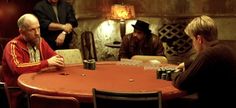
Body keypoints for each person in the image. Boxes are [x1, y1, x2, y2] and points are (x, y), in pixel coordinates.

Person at [1, 13, 65, 108]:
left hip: (39, 87)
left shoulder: (40, 41)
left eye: (38, 28)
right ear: (22, 31)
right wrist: (47, 63)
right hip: (20, 93)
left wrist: (58, 60)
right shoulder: (12, 46)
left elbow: (57, 58)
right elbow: (17, 68)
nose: (37, 33)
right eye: (32, 30)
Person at [172, 15, 236, 108]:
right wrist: (186, 64)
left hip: (215, 104)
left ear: (199, 39)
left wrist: (174, 73)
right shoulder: (225, 48)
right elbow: (202, 65)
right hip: (227, 101)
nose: (193, 44)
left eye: (192, 39)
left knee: (173, 103)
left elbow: (182, 83)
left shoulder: (208, 54)